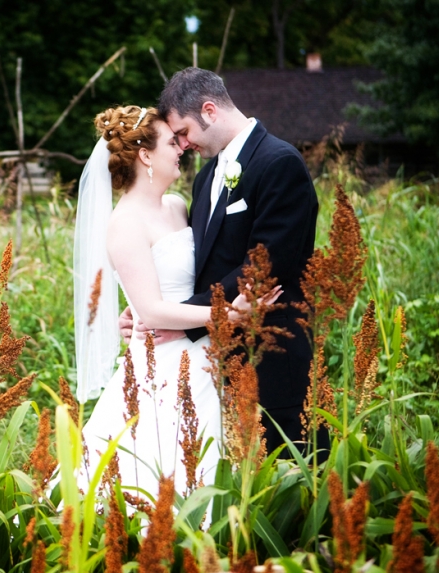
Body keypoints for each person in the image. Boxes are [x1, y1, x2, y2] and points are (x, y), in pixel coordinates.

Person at [73, 105, 280, 500]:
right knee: (160, 468)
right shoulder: (124, 223)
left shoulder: (177, 205)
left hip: (207, 354)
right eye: (172, 142)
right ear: (146, 155)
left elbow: (195, 275)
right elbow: (152, 309)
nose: (182, 147)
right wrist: (228, 314)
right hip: (162, 362)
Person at [120, 67, 325, 457]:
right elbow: (197, 265)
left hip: (270, 354)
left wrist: (179, 319)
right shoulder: (205, 178)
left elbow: (265, 266)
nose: (182, 145)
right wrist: (147, 309)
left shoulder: (279, 163)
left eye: (183, 133)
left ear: (209, 111)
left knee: (289, 476)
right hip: (213, 362)